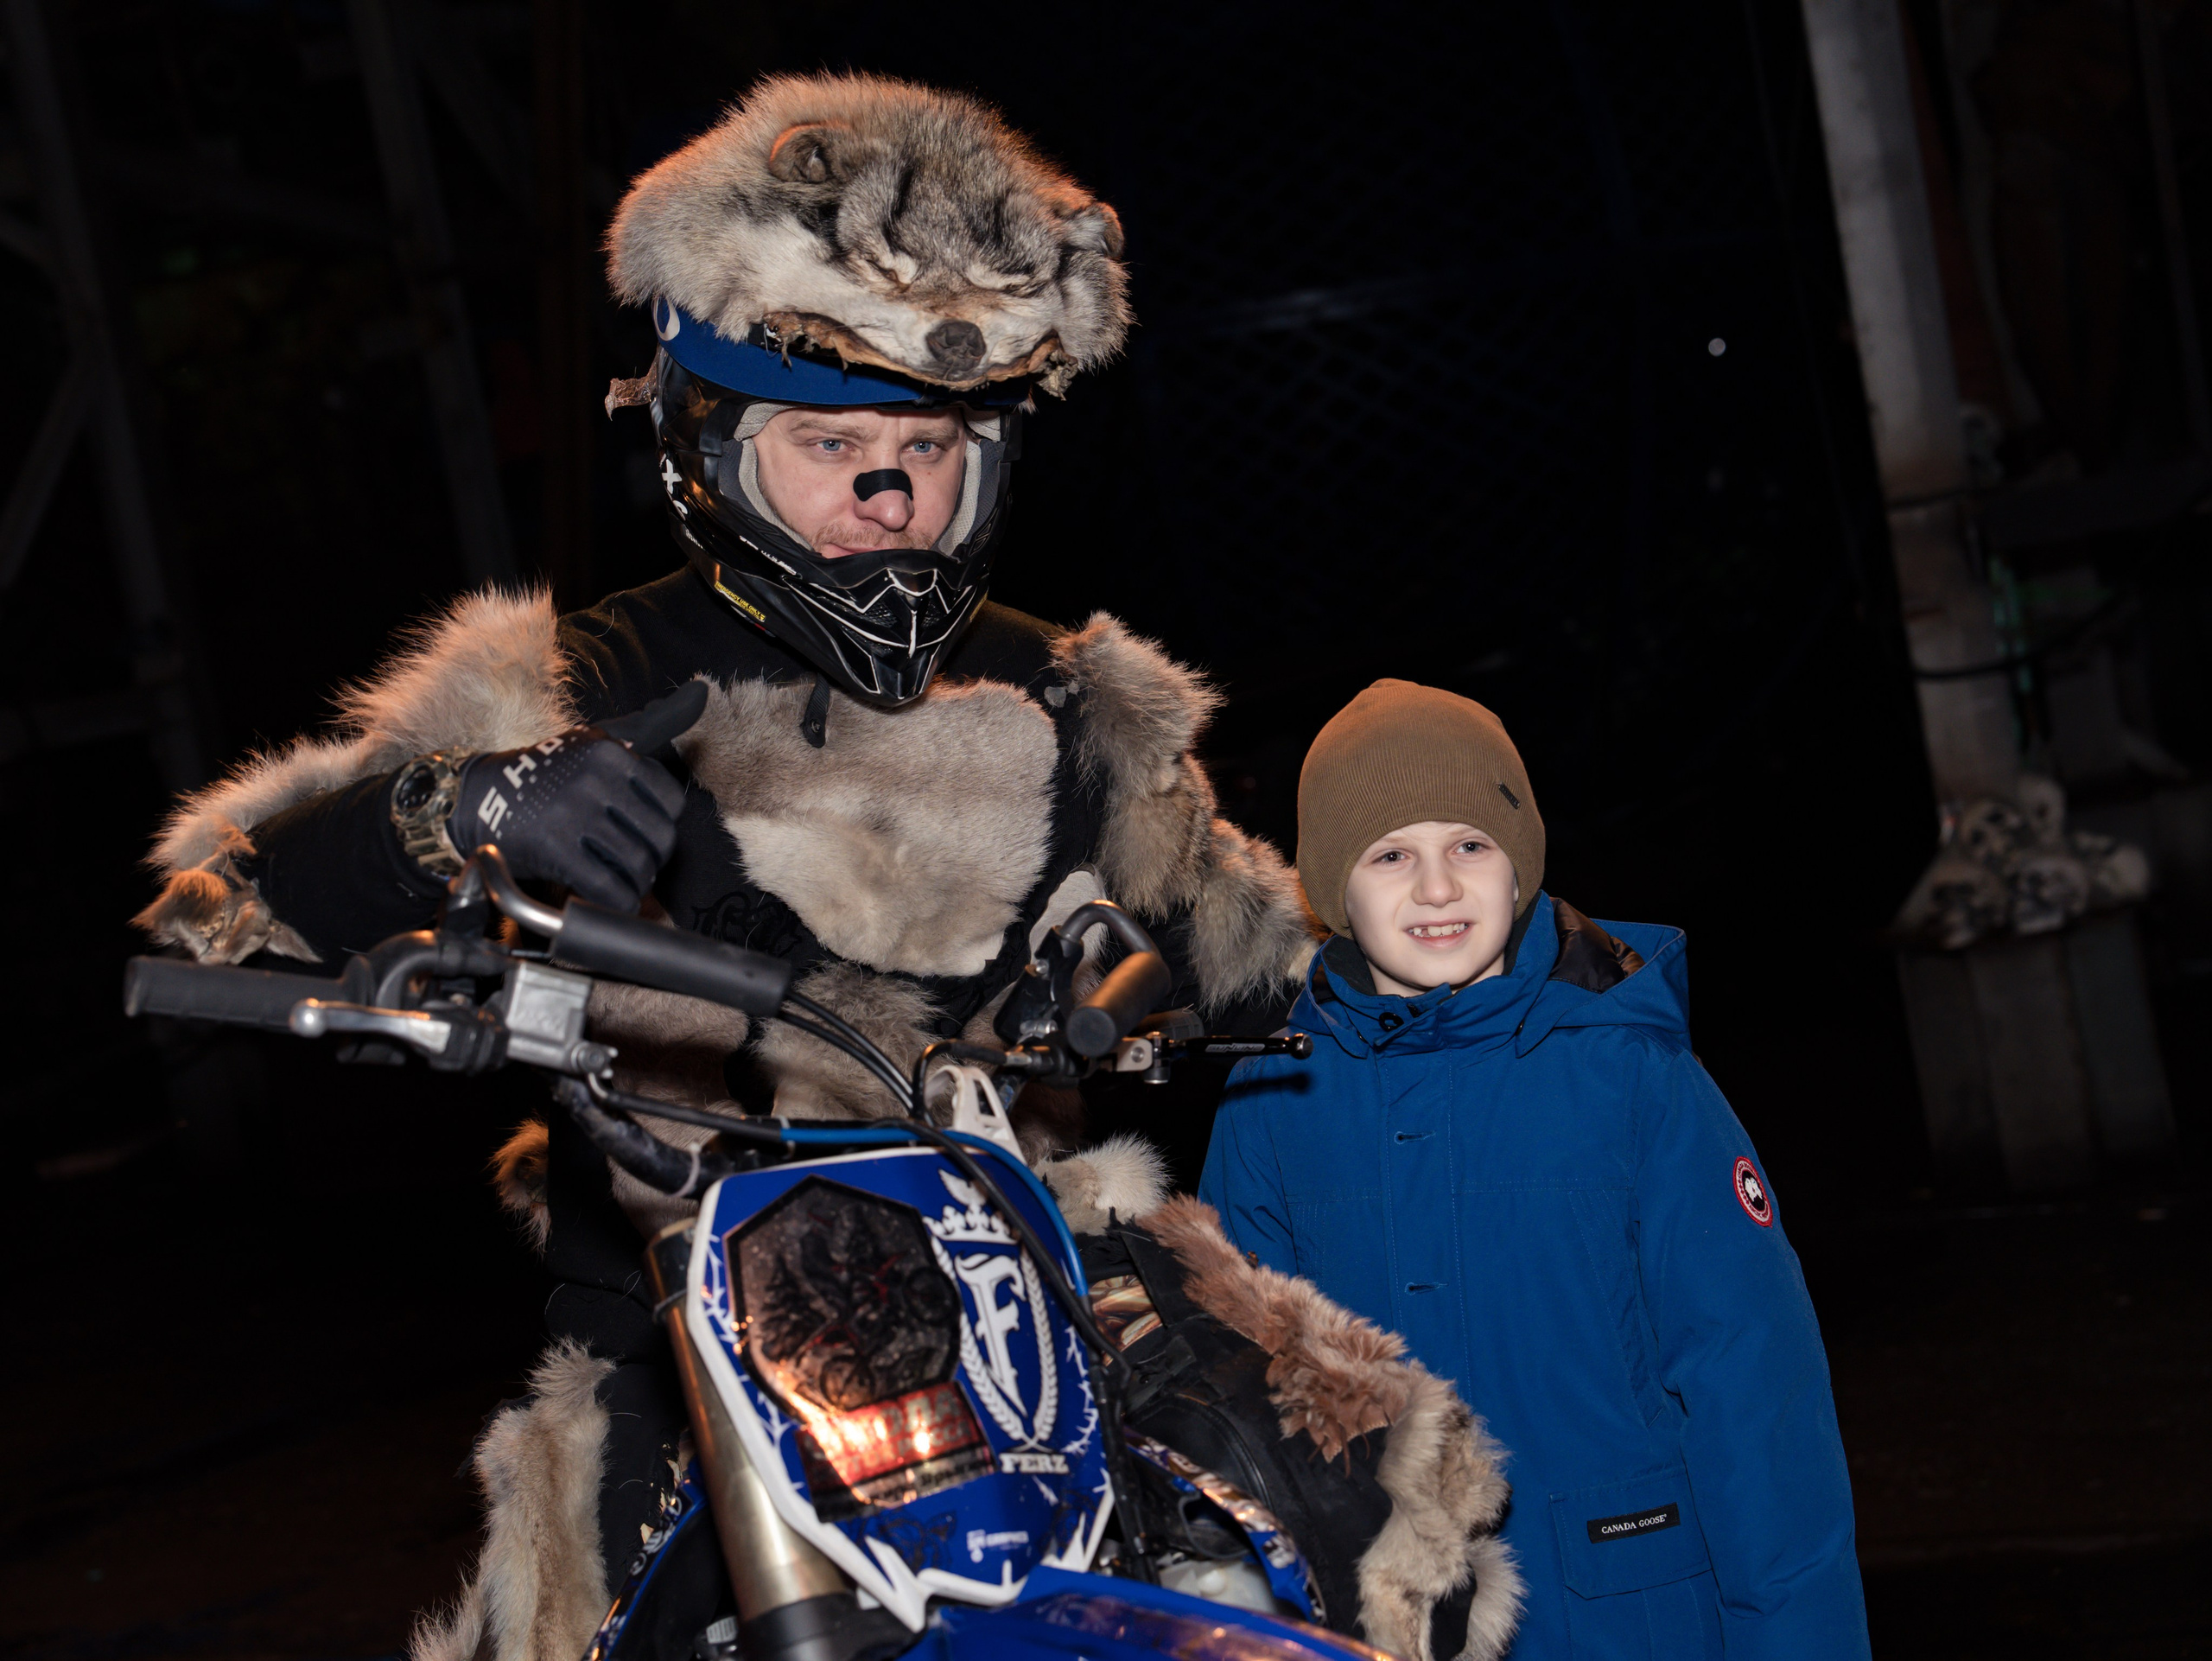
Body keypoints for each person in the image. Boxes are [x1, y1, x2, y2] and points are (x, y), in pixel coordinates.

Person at [134, 73, 1319, 1661]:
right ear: (712, 450)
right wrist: (463, 812)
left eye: (929, 448)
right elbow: (208, 926)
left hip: (1032, 1305)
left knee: (1358, 1514)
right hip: (686, 1328)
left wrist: (1464, 939)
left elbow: (1279, 958)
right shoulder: (568, 683)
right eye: (830, 442)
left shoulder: (1066, 694)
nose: (888, 497)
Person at [1198, 679, 1871, 1661]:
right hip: (1387, 1624)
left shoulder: (1633, 1077)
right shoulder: (1274, 1093)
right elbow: (1238, 1396)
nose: (1438, 888)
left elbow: (1752, 1389)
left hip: (1633, 1614)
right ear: (1334, 886)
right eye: (1391, 855)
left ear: (1519, 867)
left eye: (1470, 844)